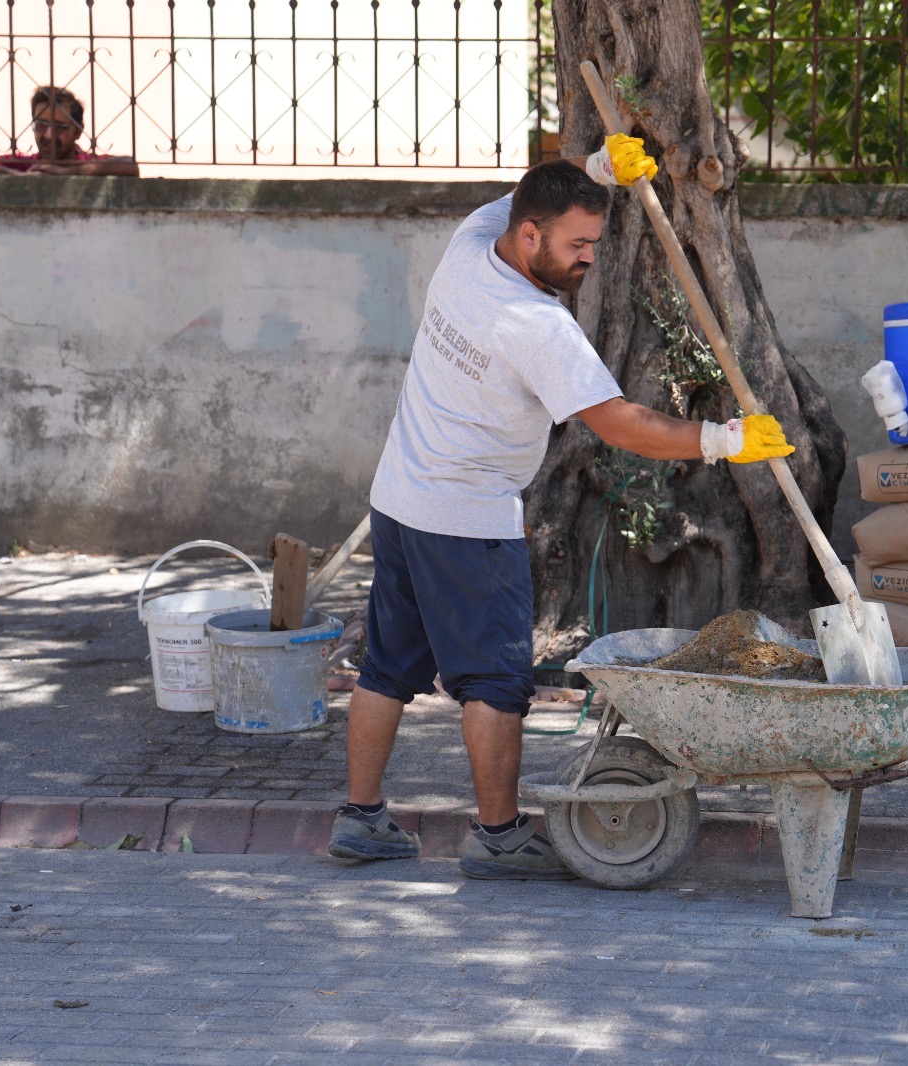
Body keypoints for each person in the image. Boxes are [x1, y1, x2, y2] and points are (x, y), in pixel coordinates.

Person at [329, 135, 795, 880]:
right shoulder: (538, 326)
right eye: (578, 245)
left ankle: (358, 820)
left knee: (388, 666)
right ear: (530, 236)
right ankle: (499, 833)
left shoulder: (470, 242)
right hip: (468, 523)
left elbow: (533, 186)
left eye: (595, 242)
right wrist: (721, 438)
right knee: (496, 684)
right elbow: (617, 423)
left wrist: (600, 169)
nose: (589, 258)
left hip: (401, 499)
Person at [0, 86, 138, 176]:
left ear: (78, 131)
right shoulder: (28, 165)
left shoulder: (88, 163)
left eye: (60, 127)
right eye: (41, 125)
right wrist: (15, 177)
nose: (48, 135)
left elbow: (131, 166)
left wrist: (71, 172)